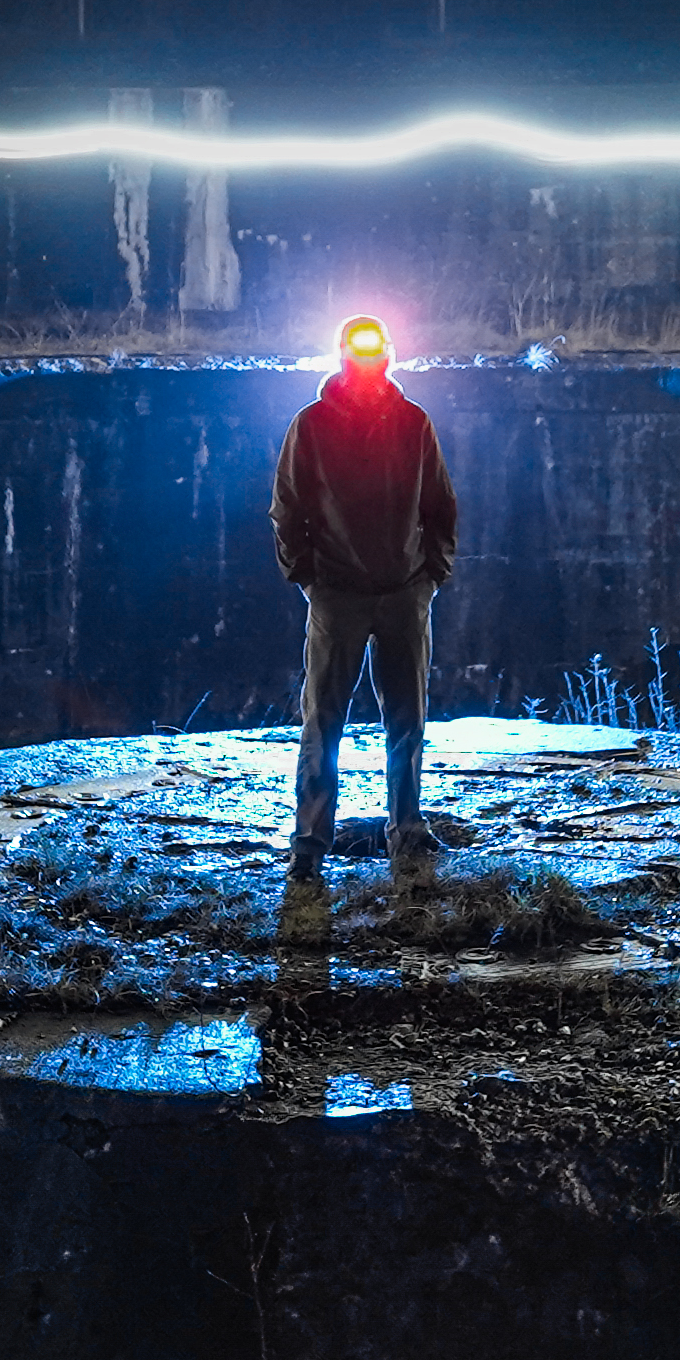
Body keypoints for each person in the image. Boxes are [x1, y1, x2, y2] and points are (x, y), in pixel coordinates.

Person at [273, 311, 457, 915]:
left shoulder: (413, 423)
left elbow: (440, 506)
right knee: (324, 720)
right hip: (340, 594)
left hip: (404, 592)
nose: (368, 359)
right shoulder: (313, 425)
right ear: (344, 355)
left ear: (389, 355)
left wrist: (430, 577)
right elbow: (287, 507)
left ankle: (408, 833)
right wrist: (310, 579)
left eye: (375, 349)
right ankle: (309, 847)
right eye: (358, 348)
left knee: (407, 718)